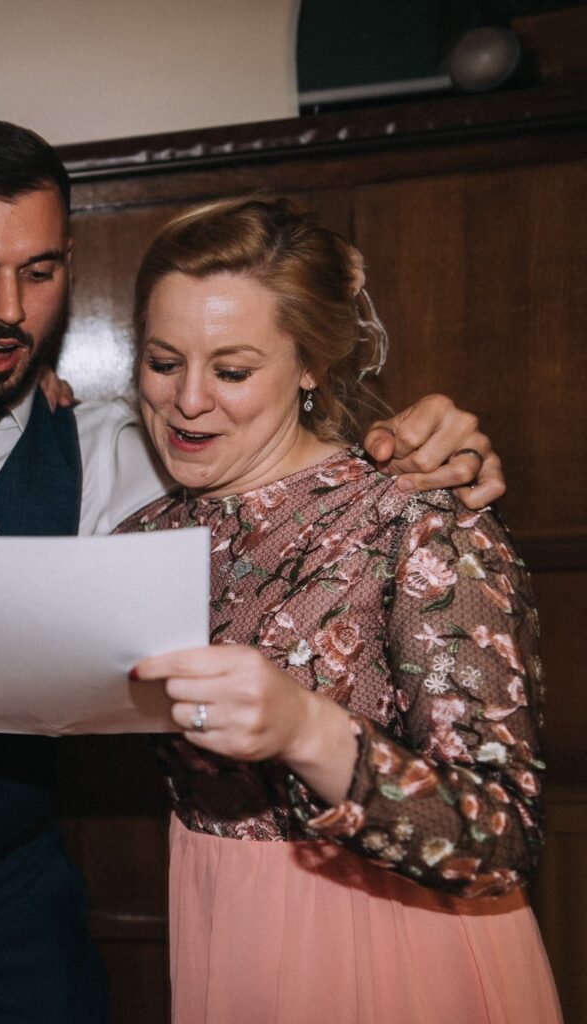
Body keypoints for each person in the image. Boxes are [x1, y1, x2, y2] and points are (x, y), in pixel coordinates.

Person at [0, 120, 510, 1024]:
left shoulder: (122, 453)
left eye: (40, 271)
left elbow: (293, 460)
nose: (9, 309)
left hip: (17, 918)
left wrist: (434, 443)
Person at [125, 198, 561, 1022]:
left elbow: (504, 837)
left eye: (231, 369)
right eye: (161, 360)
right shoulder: (143, 538)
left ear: (311, 366)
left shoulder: (420, 519)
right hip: (222, 925)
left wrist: (308, 732)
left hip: (390, 946)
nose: (186, 400)